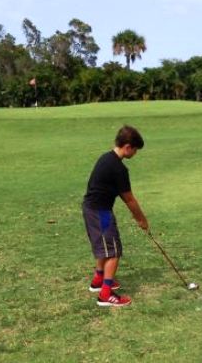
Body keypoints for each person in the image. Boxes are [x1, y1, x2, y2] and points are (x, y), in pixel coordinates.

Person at [82, 125, 149, 307]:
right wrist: (141, 219)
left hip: (98, 209)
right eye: (135, 150)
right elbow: (129, 199)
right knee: (113, 251)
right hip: (98, 211)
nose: (135, 154)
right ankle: (105, 294)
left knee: (106, 247)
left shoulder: (106, 158)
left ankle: (98, 280)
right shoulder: (118, 168)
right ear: (127, 147)